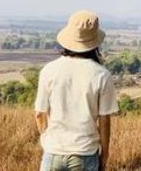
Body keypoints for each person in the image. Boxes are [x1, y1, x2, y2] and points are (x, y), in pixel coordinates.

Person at [34, 10, 119, 171]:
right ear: (95, 43)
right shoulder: (102, 75)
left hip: (53, 152)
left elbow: (39, 114)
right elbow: (105, 121)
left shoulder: (49, 70)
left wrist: (46, 139)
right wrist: (105, 155)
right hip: (85, 154)